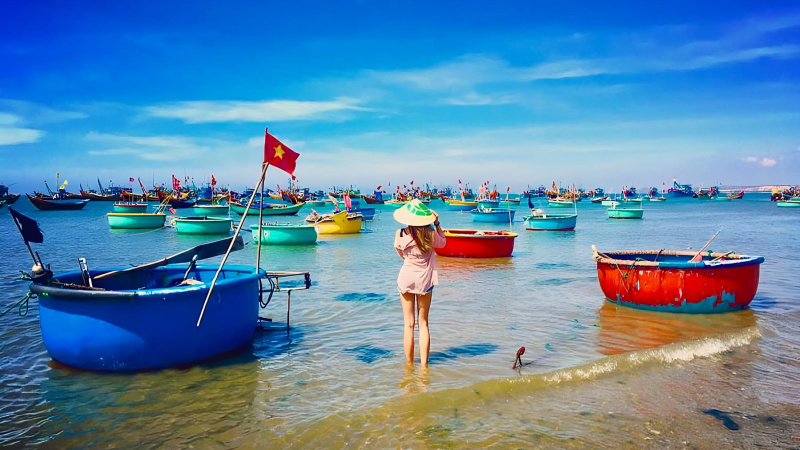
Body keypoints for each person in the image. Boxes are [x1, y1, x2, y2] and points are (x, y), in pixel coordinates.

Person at [393, 199, 446, 367]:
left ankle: (409, 366)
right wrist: (437, 224)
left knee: (408, 324)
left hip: (406, 276)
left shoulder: (400, 233)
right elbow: (443, 243)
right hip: (424, 280)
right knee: (423, 323)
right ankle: (424, 366)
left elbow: (400, 253)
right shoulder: (430, 234)